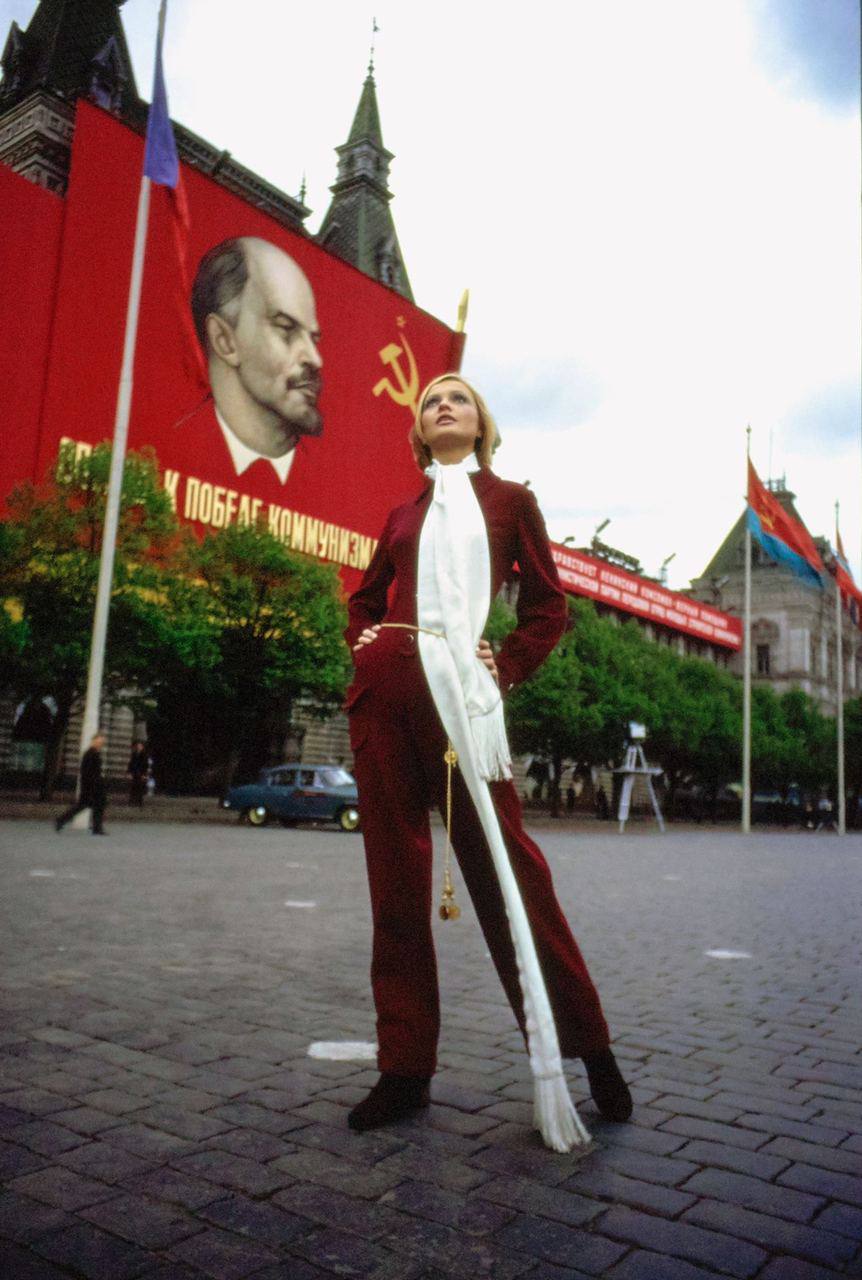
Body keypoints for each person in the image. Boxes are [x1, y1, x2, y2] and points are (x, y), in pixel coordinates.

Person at [344, 374, 631, 1147]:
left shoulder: (511, 502)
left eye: (459, 398)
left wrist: (501, 669)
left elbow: (548, 605)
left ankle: (587, 1047)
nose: (444, 403)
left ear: (480, 426)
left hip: (465, 703)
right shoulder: (403, 512)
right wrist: (362, 643)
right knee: (395, 887)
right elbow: (366, 599)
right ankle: (405, 1068)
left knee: (516, 878)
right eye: (432, 399)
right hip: (387, 697)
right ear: (418, 428)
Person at [189, 237, 323, 484]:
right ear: (224, 341)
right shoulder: (173, 447)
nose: (315, 360)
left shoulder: (331, 483)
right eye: (286, 329)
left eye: (313, 339)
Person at [55, 733, 108, 835]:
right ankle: (61, 820)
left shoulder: (95, 753)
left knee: (96, 806)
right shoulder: (89, 754)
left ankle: (97, 828)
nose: (100, 744)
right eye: (99, 741)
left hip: (95, 784)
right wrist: (92, 784)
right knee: (84, 806)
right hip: (91, 785)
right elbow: (86, 771)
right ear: (94, 741)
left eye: (102, 742)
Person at [127, 740, 150, 807]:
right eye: (138, 746)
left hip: (141, 773)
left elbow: (146, 765)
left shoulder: (145, 755)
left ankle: (139, 802)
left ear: (142, 747)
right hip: (134, 773)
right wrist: (129, 772)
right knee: (133, 788)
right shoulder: (134, 754)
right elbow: (131, 763)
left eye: (140, 746)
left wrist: (144, 775)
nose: (139, 747)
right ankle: (132, 801)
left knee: (139, 788)